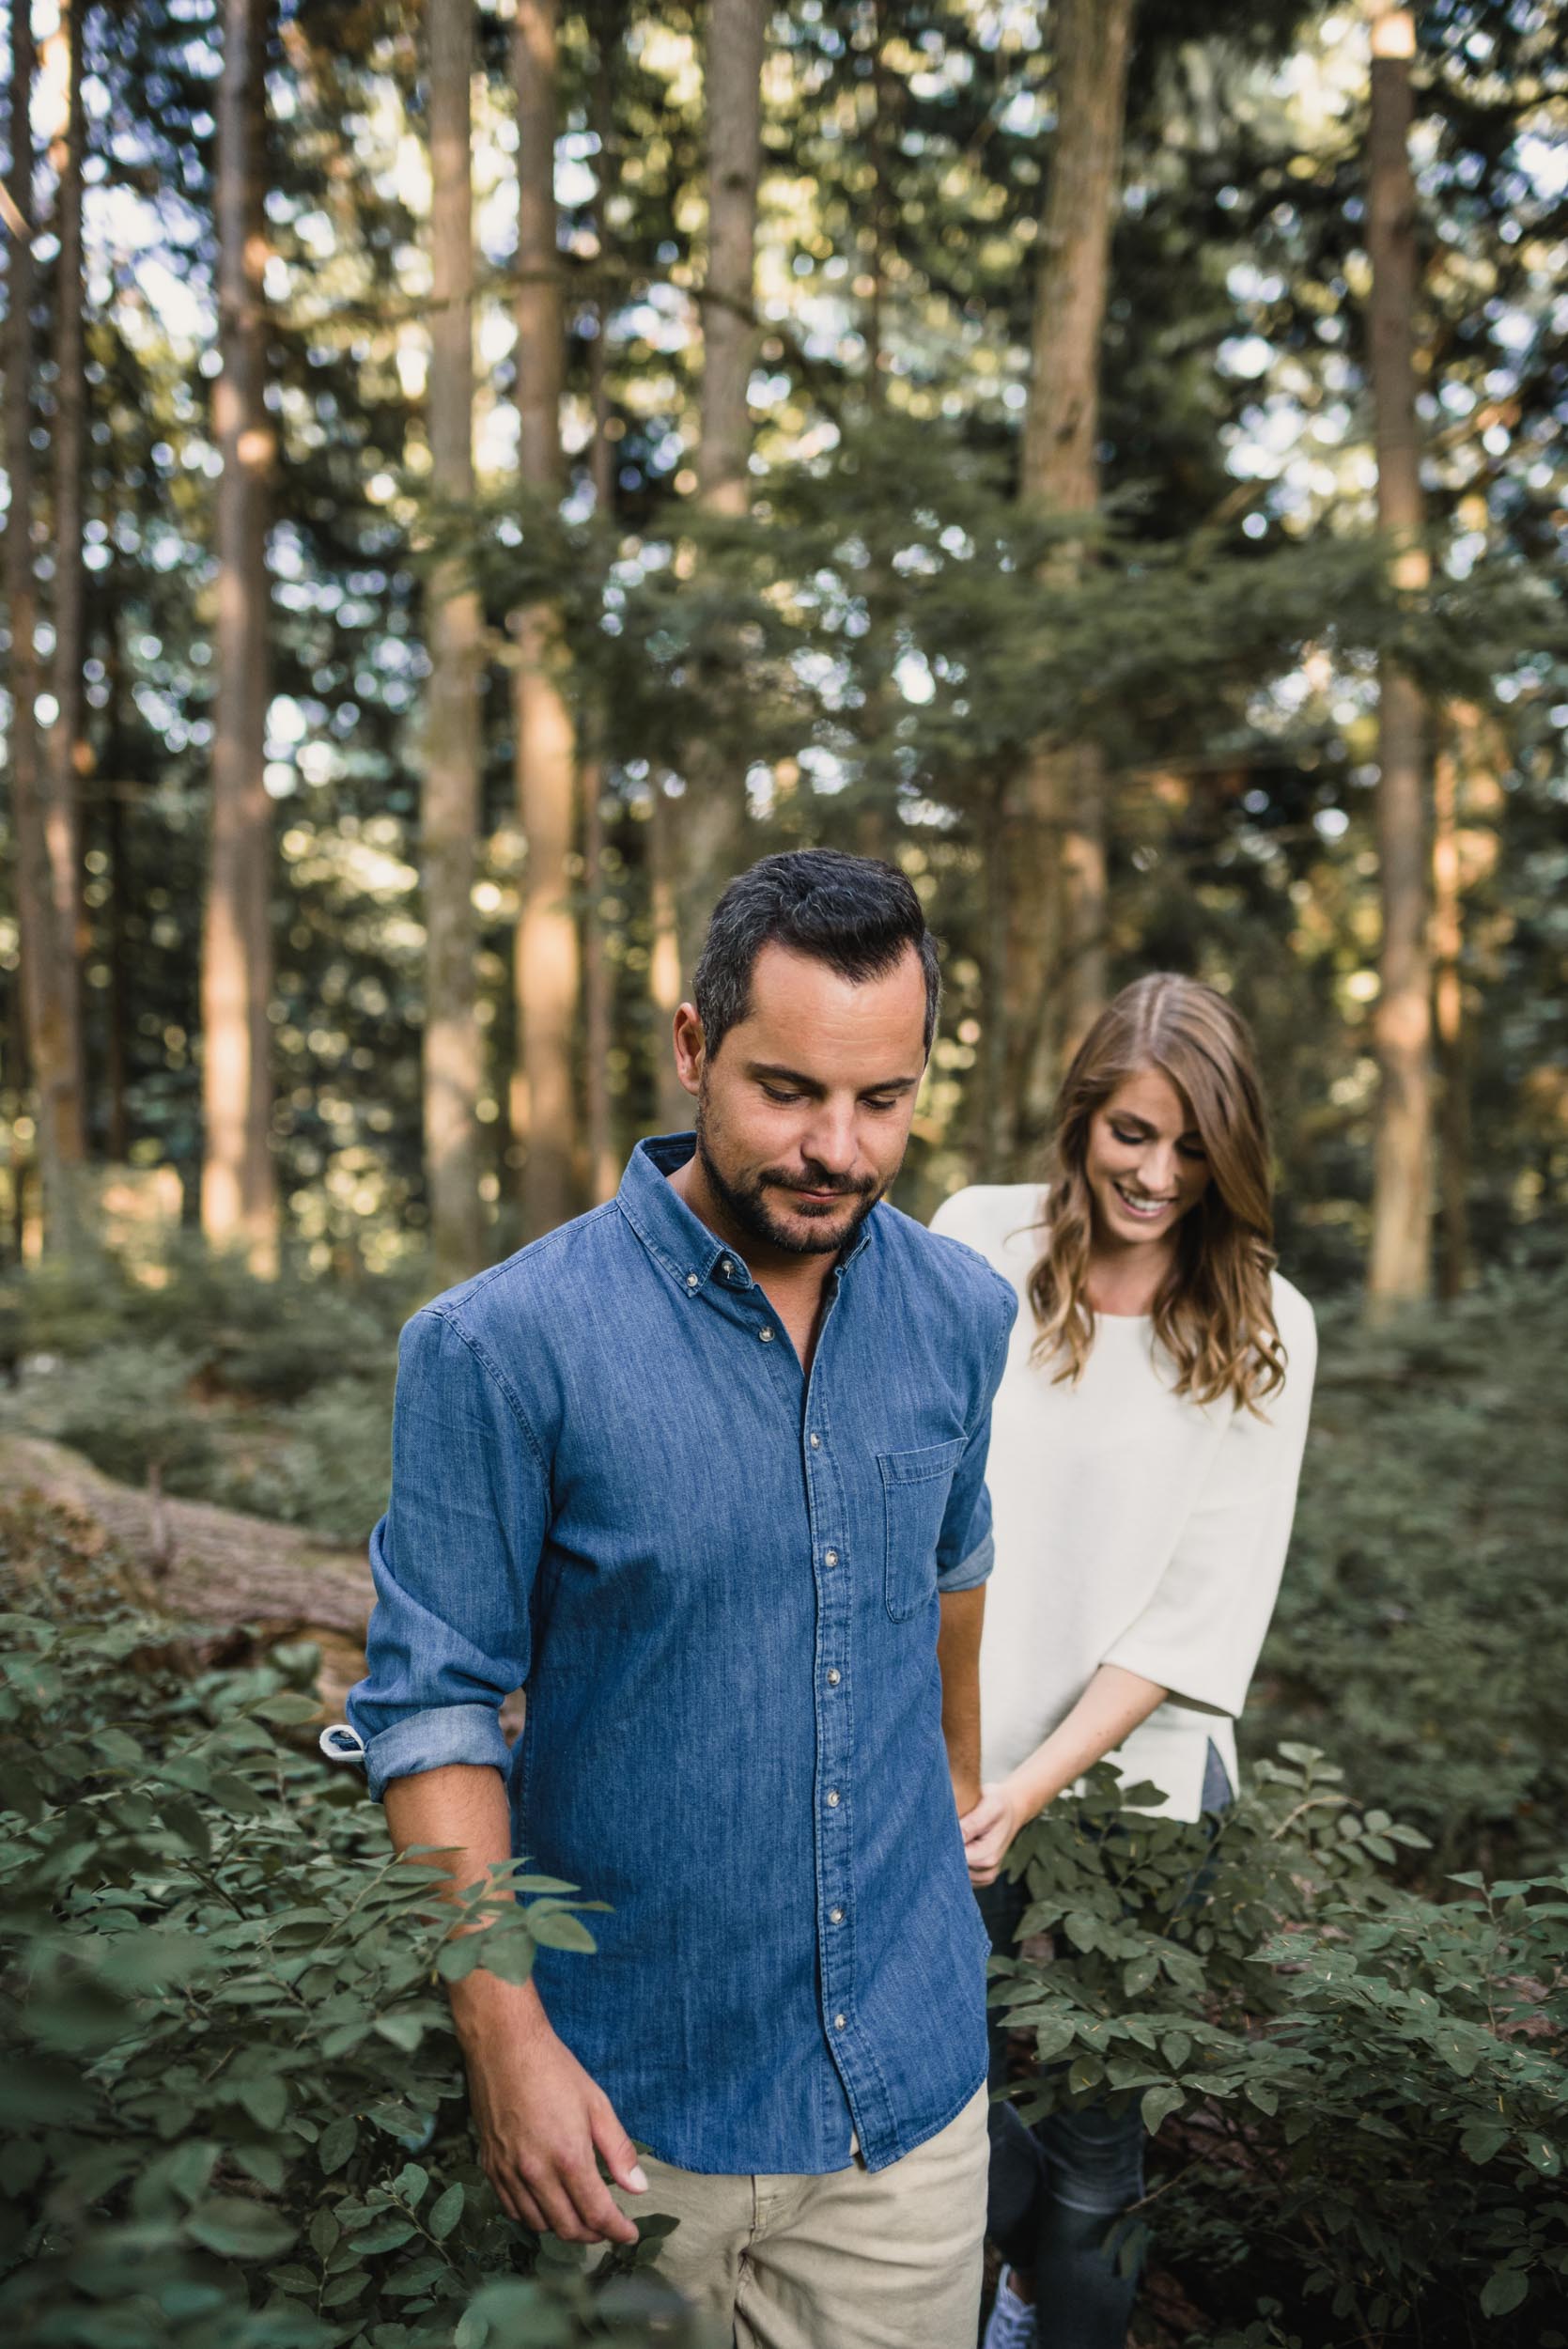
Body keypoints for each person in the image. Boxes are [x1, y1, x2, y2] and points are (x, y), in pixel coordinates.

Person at [326, 850, 1017, 2349]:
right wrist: (503, 2039)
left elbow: (953, 1565)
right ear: (693, 1047)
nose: (838, 1146)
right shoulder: (502, 1346)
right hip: (626, 2111)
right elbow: (430, 1707)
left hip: (905, 2104)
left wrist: (956, 1788)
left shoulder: (963, 1312)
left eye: (883, 1100)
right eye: (788, 1090)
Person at [930, 972, 1317, 2349]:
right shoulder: (974, 1240)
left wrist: (1024, 1790)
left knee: (1101, 2162)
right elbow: (892, 1477)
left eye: (1192, 1144)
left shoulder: (1265, 1319)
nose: (1157, 1174)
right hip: (939, 1753)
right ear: (1080, 1119)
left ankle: (1048, 2300)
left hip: (1138, 1784)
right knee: (932, 2110)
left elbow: (1193, 1613)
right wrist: (949, 1759)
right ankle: (977, 2276)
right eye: (1130, 1134)